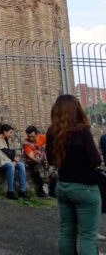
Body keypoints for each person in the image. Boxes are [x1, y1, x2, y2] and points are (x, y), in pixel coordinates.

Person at [47, 94, 101, 255]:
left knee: (67, 232)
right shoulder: (82, 130)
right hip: (85, 188)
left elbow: (51, 160)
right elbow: (96, 160)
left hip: (63, 186)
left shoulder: (51, 132)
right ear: (75, 109)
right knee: (87, 236)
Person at [0, 123, 27, 199]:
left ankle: (22, 191)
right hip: (0, 162)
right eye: (10, 132)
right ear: (5, 131)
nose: (11, 134)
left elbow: (12, 151)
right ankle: (10, 191)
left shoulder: (8, 139)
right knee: (10, 166)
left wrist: (16, 158)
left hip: (10, 161)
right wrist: (9, 161)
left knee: (21, 165)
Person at [23, 125, 54, 197]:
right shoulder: (26, 143)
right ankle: (41, 190)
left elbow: (51, 144)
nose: (30, 138)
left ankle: (53, 191)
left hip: (44, 159)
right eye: (29, 136)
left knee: (54, 169)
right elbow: (32, 158)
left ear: (37, 134)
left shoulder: (42, 137)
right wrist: (44, 162)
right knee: (38, 168)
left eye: (32, 136)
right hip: (33, 162)